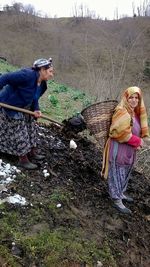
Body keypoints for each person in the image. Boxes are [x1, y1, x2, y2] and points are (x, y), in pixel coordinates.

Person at [102, 86, 150, 214]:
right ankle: (116, 200)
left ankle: (121, 193)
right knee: (117, 173)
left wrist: (138, 142)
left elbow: (137, 131)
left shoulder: (135, 113)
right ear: (126, 98)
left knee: (125, 172)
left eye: (136, 98)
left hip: (129, 150)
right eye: (131, 98)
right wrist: (138, 141)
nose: (134, 100)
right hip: (118, 149)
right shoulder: (121, 111)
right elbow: (118, 133)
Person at [0, 58, 54, 170]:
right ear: (42, 70)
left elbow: (35, 98)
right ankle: (23, 160)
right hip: (10, 105)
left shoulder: (42, 84)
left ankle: (32, 153)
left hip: (24, 107)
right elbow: (5, 78)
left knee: (31, 128)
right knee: (20, 132)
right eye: (50, 71)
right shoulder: (27, 75)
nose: (52, 75)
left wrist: (36, 109)